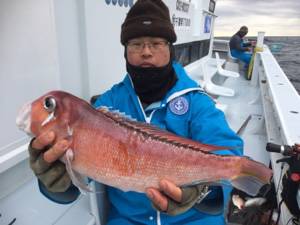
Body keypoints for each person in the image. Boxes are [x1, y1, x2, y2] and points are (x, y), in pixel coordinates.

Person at [28, 0, 243, 224]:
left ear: (170, 49)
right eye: (136, 44)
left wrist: (202, 192)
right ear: (125, 52)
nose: (146, 52)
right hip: (128, 219)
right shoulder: (106, 105)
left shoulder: (197, 101)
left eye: (156, 43)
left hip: (194, 219)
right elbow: (78, 179)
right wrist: (56, 180)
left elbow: (229, 154)